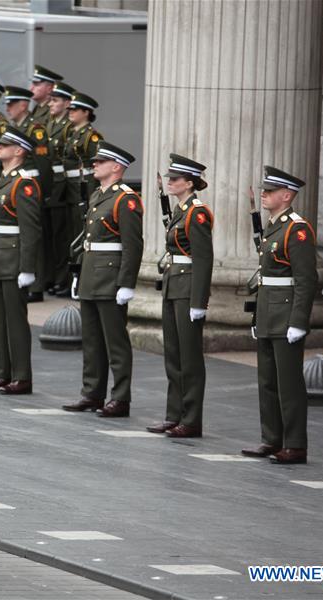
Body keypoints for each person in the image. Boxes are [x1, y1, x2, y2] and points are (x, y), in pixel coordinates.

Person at [241, 166, 317, 463]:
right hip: (268, 312)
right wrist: (257, 317)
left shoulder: (296, 229)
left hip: (285, 314)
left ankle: (295, 444)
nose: (264, 194)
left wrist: (299, 321)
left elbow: (305, 279)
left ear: (286, 195)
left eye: (270, 191)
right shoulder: (273, 226)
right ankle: (271, 438)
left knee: (289, 384)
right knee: (268, 381)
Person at [62, 142, 141, 414]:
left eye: (101, 162)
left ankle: (120, 397)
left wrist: (127, 283)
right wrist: (78, 274)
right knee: (92, 339)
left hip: (110, 278)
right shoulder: (98, 196)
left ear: (116, 167)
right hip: (91, 274)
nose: (95, 165)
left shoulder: (125, 199)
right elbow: (88, 242)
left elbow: (133, 245)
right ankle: (92, 393)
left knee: (115, 342)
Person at [142, 155, 213, 430]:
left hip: (187, 290)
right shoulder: (181, 211)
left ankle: (191, 419)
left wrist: (199, 301)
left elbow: (204, 259)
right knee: (173, 355)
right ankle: (174, 414)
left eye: (175, 179)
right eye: (170, 179)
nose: (170, 183)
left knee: (190, 358)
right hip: (173, 286)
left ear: (190, 183)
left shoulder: (197, 213)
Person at [0, 126, 42, 395]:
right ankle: (2, 372)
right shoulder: (4, 179)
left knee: (15, 319)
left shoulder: (23, 183)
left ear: (18, 151)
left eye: (4, 145)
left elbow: (31, 229)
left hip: (13, 259)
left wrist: (27, 267)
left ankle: (21, 376)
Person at [4, 85, 51, 303]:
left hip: (32, 185)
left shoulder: (35, 128)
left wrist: (44, 193)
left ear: (24, 105)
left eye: (12, 104)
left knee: (32, 234)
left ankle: (37, 284)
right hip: (16, 185)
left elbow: (43, 163)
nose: (8, 108)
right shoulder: (14, 126)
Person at [45, 81, 76, 297]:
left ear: (66, 103)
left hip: (64, 190)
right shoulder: (49, 124)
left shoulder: (68, 128)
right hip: (51, 187)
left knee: (63, 237)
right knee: (52, 239)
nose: (50, 104)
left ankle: (63, 279)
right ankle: (53, 277)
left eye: (55, 100)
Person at [62, 93, 100, 243]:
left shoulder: (91, 137)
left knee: (80, 228)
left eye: (75, 109)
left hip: (83, 188)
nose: (70, 112)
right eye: (70, 109)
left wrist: (90, 195)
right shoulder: (72, 134)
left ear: (86, 112)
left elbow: (96, 167)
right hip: (71, 188)